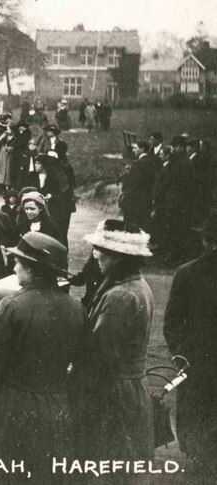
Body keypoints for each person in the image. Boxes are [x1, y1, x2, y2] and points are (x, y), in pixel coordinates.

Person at [0, 232, 84, 484]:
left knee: (6, 475)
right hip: (57, 410)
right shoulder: (76, 308)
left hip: (13, 409)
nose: (15, 265)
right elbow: (83, 364)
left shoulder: (11, 305)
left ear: (31, 268)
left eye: (19, 260)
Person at [71, 220, 155, 482]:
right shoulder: (136, 286)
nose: (95, 255)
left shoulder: (120, 296)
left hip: (112, 396)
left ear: (119, 257)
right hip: (127, 391)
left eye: (100, 249)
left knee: (105, 468)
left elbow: (100, 355)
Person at [163, 210, 217, 479]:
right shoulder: (188, 272)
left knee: (197, 427)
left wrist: (183, 356)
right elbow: (172, 324)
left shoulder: (187, 272)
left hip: (197, 363)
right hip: (198, 364)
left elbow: (171, 323)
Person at [119, 140, 156, 231]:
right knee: (143, 227)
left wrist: (126, 199)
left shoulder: (138, 163)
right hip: (146, 200)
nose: (133, 150)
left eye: (136, 148)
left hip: (135, 202)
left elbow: (133, 184)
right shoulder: (151, 162)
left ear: (142, 149)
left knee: (132, 227)